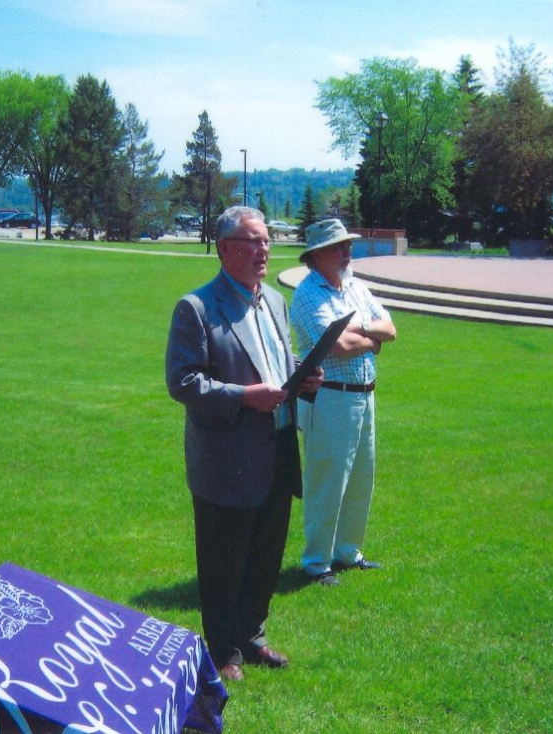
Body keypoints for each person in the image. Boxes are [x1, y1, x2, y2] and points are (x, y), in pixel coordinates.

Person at [165, 206, 320, 682]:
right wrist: (244, 397)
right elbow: (182, 382)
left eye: (267, 240)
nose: (265, 249)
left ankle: (253, 636)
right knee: (222, 558)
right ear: (225, 248)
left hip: (275, 449)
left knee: (266, 551)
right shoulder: (196, 308)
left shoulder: (274, 300)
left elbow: (280, 356)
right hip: (226, 458)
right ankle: (223, 649)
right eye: (253, 241)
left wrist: (302, 378)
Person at [290, 219, 396, 586]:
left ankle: (348, 553)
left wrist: (359, 329)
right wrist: (370, 335)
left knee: (360, 479)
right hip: (329, 396)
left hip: (364, 396)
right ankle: (317, 562)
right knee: (327, 481)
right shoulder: (308, 294)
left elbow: (391, 329)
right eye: (339, 246)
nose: (347, 251)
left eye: (347, 244)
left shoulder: (355, 287)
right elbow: (336, 344)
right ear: (317, 255)